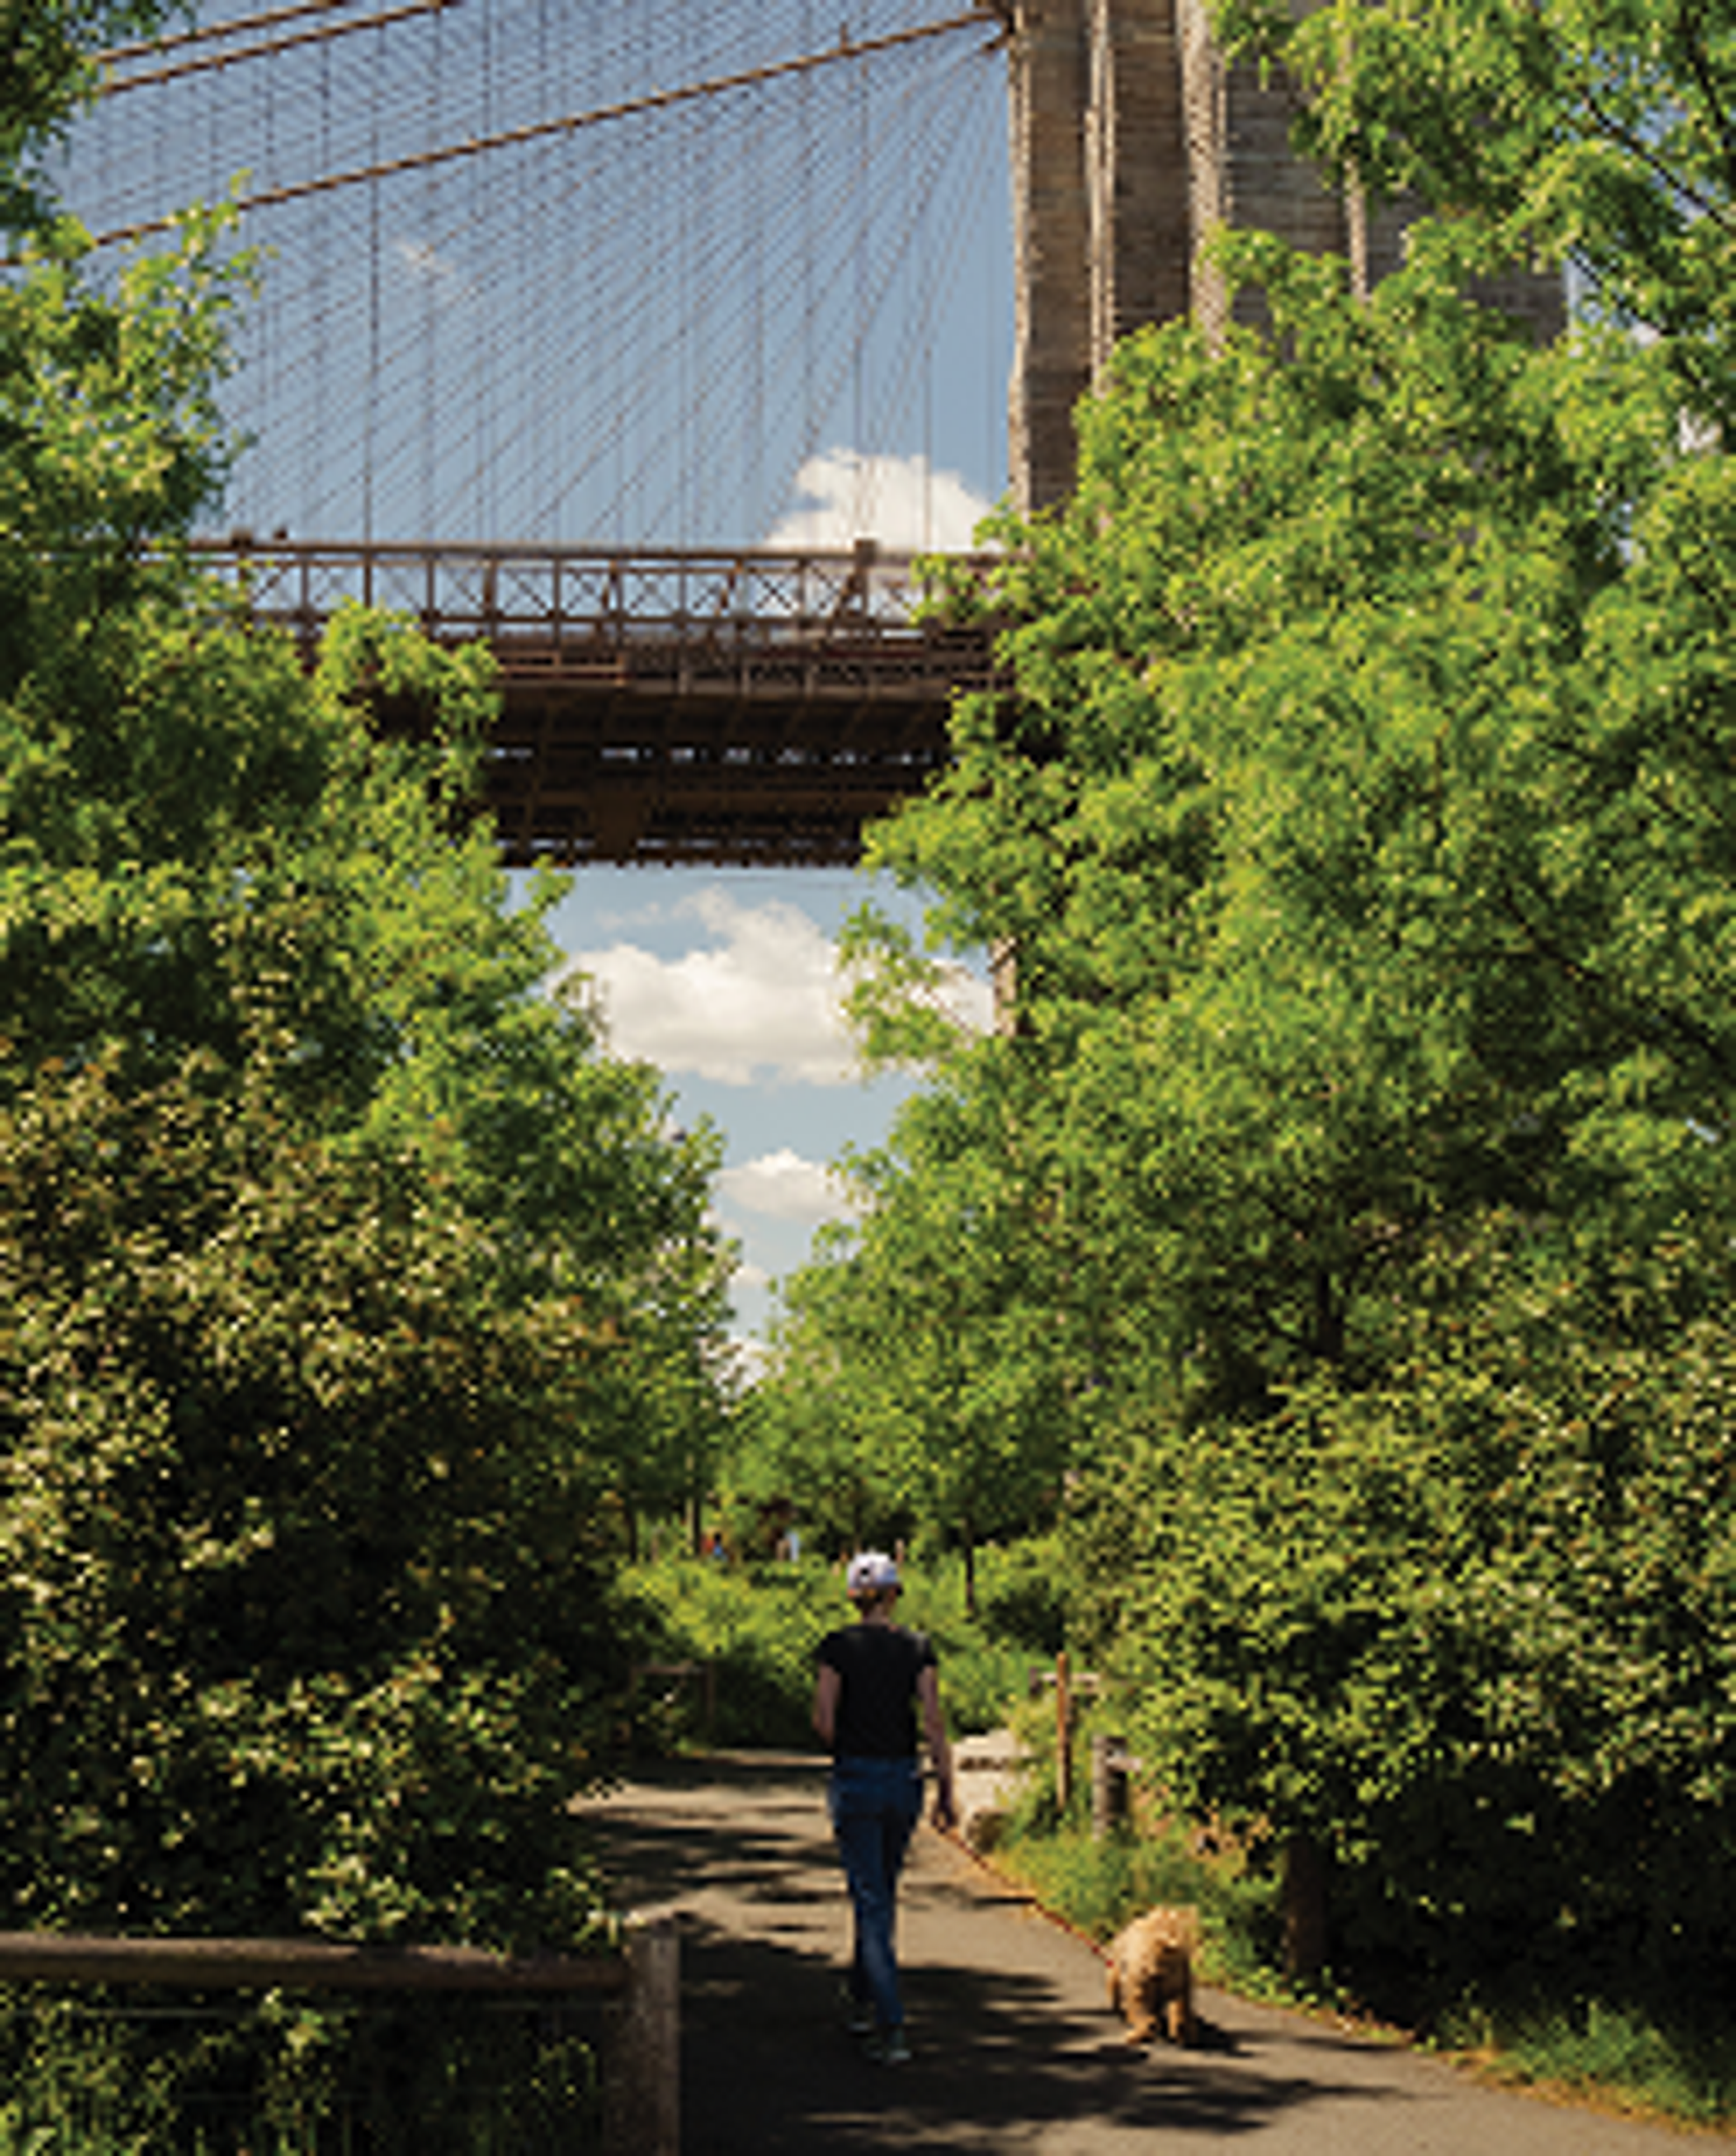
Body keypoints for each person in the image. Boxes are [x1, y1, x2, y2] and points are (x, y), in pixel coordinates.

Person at [811, 1550, 957, 2063]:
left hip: (856, 1779)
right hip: (904, 1780)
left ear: (853, 1596)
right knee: (880, 1896)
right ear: (895, 1593)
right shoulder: (918, 1647)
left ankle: (890, 2023)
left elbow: (823, 1718)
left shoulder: (837, 1646)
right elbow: (934, 1723)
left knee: (871, 1900)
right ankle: (860, 1999)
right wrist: (947, 1789)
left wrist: (848, 1749)